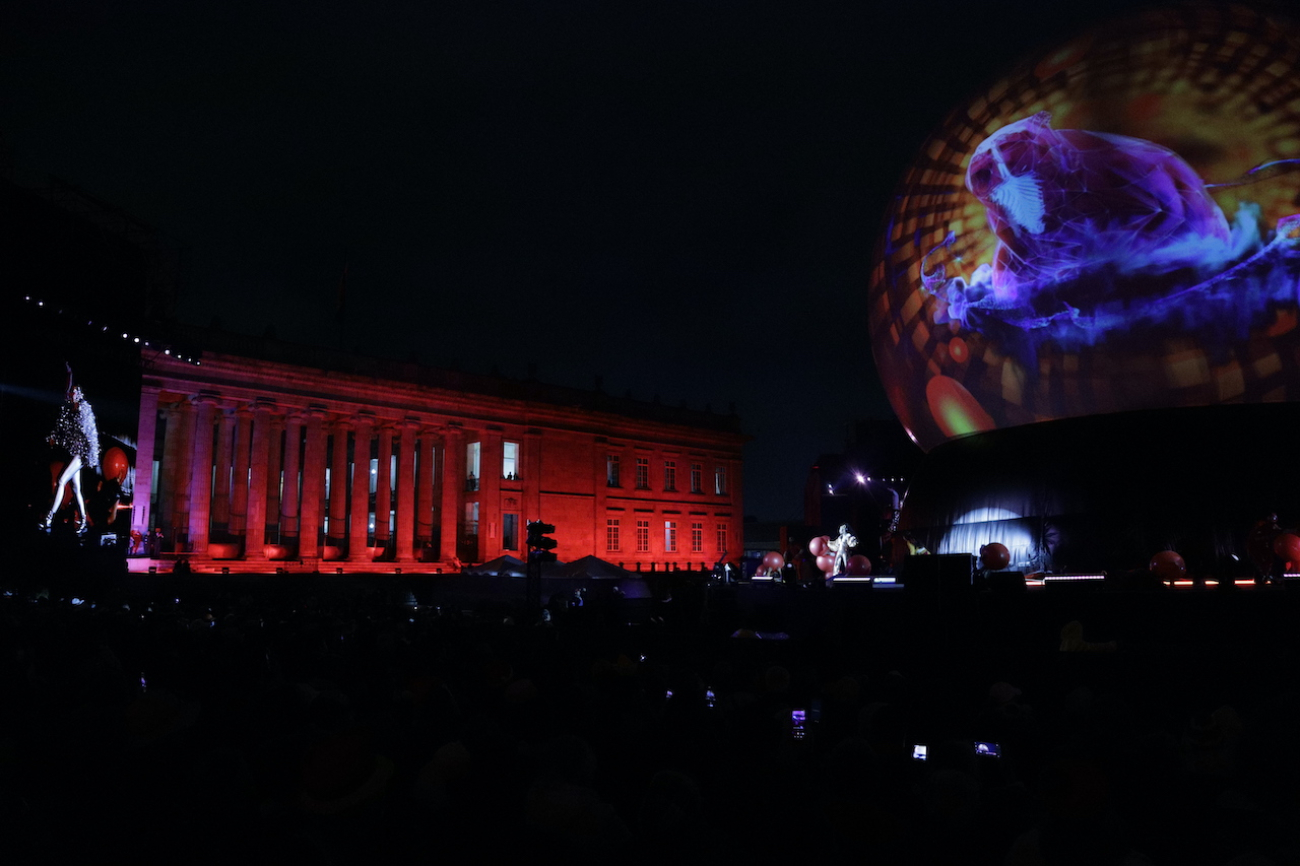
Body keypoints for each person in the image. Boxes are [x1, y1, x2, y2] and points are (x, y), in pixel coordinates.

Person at [41, 363, 100, 535]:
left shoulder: (84, 409)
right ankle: (83, 521)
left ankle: (48, 518)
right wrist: (53, 437)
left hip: (82, 453)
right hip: (76, 452)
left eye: (74, 392)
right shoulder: (70, 411)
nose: (71, 394)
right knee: (76, 489)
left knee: (61, 481)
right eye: (71, 392)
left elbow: (89, 434)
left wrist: (88, 454)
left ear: (79, 394)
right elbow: (64, 431)